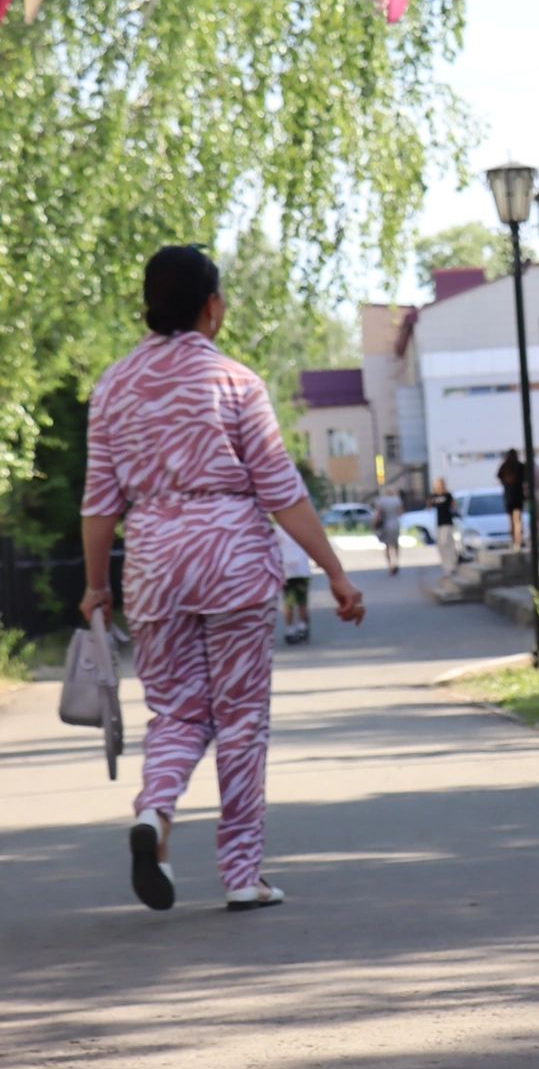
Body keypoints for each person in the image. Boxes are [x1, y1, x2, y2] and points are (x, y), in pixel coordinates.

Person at [79, 245, 366, 913]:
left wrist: (96, 585)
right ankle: (241, 874)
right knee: (240, 721)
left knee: (175, 712)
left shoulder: (113, 386)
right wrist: (335, 573)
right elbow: (281, 491)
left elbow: (98, 504)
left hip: (154, 564)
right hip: (232, 562)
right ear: (212, 307)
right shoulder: (235, 382)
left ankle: (155, 813)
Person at [278, 523, 313, 645]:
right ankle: (302, 626)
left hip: (287, 570)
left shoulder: (279, 529)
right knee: (302, 601)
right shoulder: (303, 526)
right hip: (301, 569)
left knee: (289, 602)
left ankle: (290, 629)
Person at [497, 448, 527, 549]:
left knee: (511, 520)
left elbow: (499, 477)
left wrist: (506, 484)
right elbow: (525, 479)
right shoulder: (520, 466)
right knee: (517, 519)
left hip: (509, 496)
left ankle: (514, 539)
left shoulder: (504, 466)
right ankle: (518, 539)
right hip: (517, 496)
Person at [372, 483, 404, 574]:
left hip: (386, 524)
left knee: (387, 546)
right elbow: (401, 513)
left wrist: (374, 524)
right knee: (396, 544)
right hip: (395, 523)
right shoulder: (397, 500)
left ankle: (390, 565)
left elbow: (377, 515)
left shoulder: (381, 501)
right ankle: (396, 562)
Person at [433, 476, 459, 574]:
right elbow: (430, 506)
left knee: (446, 543)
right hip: (439, 523)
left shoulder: (448, 495)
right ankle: (446, 566)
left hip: (447, 522)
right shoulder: (434, 496)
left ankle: (452, 564)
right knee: (440, 545)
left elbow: (453, 506)